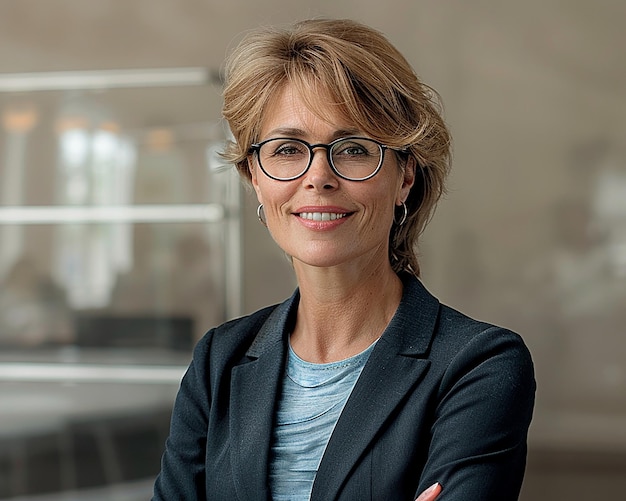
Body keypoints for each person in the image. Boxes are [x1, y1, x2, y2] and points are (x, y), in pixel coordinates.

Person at [153, 18, 535, 501]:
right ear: (254, 176)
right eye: (288, 149)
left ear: (405, 176)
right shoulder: (218, 361)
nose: (318, 176)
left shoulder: (479, 365)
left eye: (353, 149)